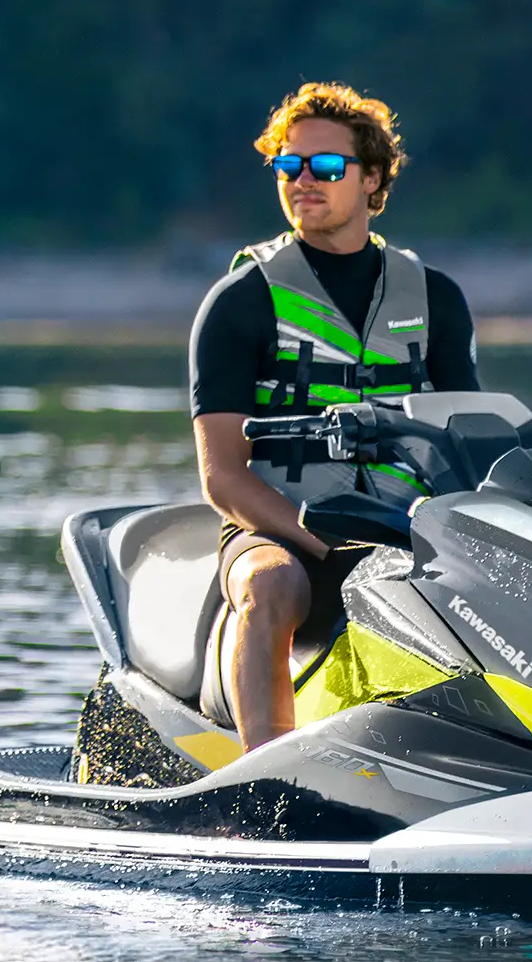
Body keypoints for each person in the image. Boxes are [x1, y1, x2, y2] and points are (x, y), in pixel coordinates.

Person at [186, 82, 481, 751]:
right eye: (289, 166)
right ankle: (266, 782)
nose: (302, 182)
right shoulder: (241, 301)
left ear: (372, 177)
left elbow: (471, 443)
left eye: (324, 167)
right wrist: (319, 540)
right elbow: (223, 478)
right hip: (279, 531)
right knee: (273, 585)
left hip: (405, 532)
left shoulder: (434, 297)